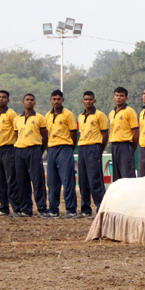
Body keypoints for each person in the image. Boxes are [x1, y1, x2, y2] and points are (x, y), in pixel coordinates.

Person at [13, 93, 50, 217]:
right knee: (22, 181)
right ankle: (26, 209)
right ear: (23, 102)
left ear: (34, 103)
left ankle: (42, 208)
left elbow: (45, 137)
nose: (29, 102)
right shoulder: (17, 119)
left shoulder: (39, 117)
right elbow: (16, 136)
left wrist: (39, 151)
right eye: (27, 100)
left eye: (32, 100)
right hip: (19, 151)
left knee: (38, 180)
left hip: (34, 150)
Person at [45, 90, 79, 218]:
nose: (56, 101)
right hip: (52, 149)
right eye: (54, 99)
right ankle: (53, 209)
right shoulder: (47, 115)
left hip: (65, 148)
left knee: (67, 179)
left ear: (63, 100)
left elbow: (73, 133)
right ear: (51, 100)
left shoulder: (68, 114)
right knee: (52, 181)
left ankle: (71, 209)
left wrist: (70, 147)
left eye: (59, 99)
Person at [77, 91, 109, 217]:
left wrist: (99, 149)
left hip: (94, 147)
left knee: (95, 179)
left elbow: (105, 134)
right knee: (83, 180)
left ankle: (101, 208)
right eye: (86, 99)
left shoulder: (100, 115)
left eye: (90, 99)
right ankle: (85, 209)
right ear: (82, 101)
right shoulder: (80, 116)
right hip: (82, 148)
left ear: (94, 101)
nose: (88, 101)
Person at [0, 90, 19, 216]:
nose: (1, 99)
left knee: (11, 179)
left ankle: (17, 208)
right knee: (0, 180)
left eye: (4, 97)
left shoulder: (11, 114)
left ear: (8, 100)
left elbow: (18, 130)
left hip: (9, 149)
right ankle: (4, 207)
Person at [108, 87, 139, 181]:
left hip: (126, 145)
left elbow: (136, 133)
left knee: (127, 175)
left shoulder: (130, 111)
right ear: (114, 97)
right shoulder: (111, 113)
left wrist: (131, 148)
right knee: (117, 176)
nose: (119, 98)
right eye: (117, 95)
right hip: (114, 146)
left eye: (122, 96)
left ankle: (131, 195)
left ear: (126, 98)